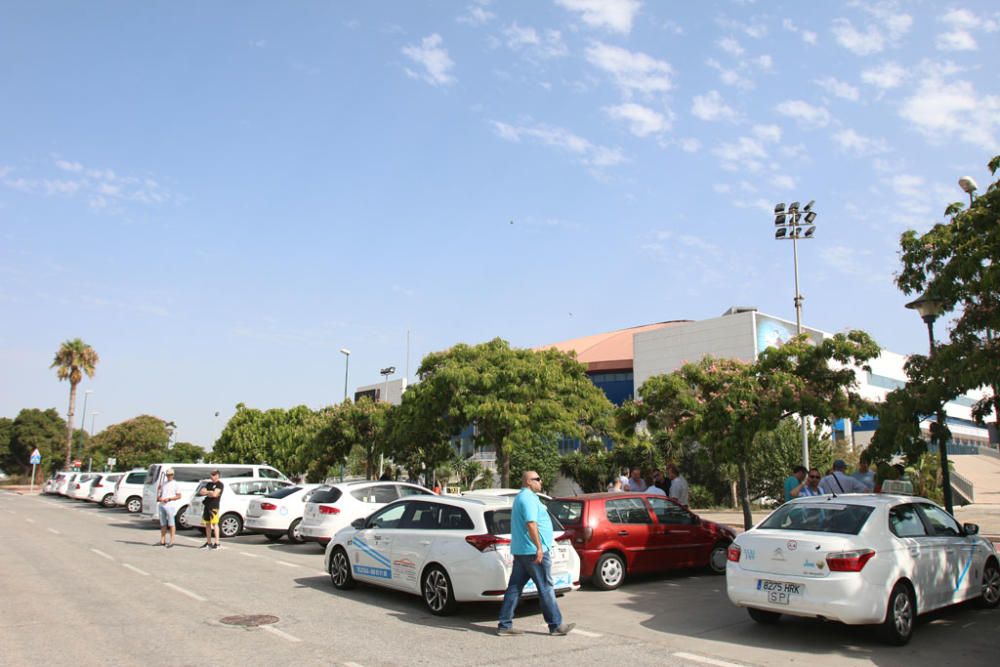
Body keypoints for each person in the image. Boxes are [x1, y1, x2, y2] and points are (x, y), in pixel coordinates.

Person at [497, 471, 574, 637]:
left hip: (524, 551)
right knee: (545, 587)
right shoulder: (527, 498)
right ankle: (555, 625)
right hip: (532, 552)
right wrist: (539, 548)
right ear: (528, 481)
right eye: (537, 479)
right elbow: (531, 524)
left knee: (515, 587)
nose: (541, 481)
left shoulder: (526, 497)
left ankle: (504, 624)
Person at [156, 468, 182, 548]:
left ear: (173, 475)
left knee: (171, 524)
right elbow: (159, 495)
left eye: (170, 475)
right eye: (168, 475)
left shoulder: (175, 484)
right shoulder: (163, 483)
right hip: (162, 505)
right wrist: (159, 497)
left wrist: (170, 499)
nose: (169, 476)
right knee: (163, 524)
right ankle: (162, 540)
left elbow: (179, 496)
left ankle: (171, 541)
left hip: (170, 505)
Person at [199, 469, 224, 550]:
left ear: (217, 475)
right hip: (207, 505)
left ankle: (217, 543)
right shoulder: (209, 484)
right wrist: (209, 492)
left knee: (215, 523)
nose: (212, 476)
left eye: (214, 475)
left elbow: (215, 494)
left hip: (214, 506)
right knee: (207, 524)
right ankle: (209, 542)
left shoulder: (220, 484)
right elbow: (201, 492)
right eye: (211, 474)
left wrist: (208, 492)